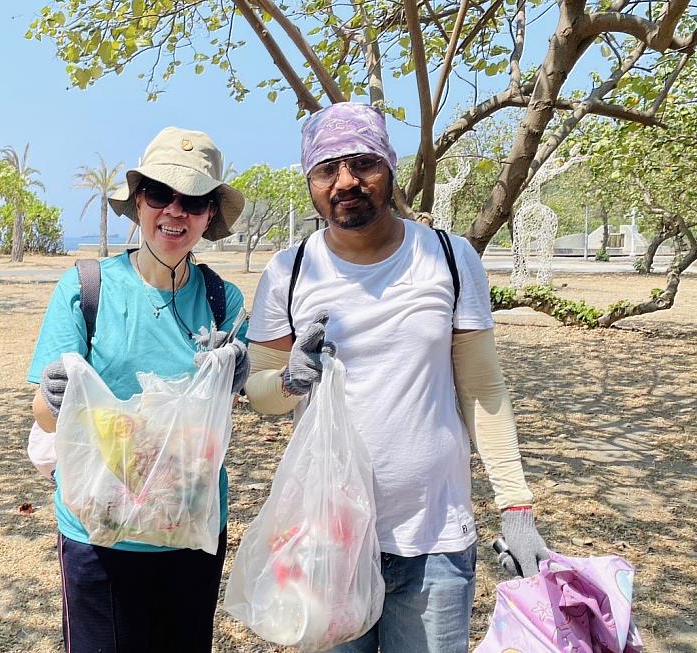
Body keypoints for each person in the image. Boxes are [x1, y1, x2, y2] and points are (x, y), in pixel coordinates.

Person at [243, 102, 549, 653]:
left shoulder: (449, 260)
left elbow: (483, 390)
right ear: (310, 181)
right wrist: (289, 380)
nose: (346, 182)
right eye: (326, 169)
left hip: (434, 540)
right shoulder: (288, 273)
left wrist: (516, 505)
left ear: (390, 167)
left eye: (363, 163)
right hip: (327, 540)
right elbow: (260, 394)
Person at [27, 127, 250, 653]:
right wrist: (57, 394)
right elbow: (43, 413)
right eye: (160, 195)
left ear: (209, 214)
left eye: (193, 200)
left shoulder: (225, 300)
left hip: (190, 528)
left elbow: (223, 415)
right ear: (139, 201)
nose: (175, 211)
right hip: (100, 534)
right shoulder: (87, 288)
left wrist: (236, 378)